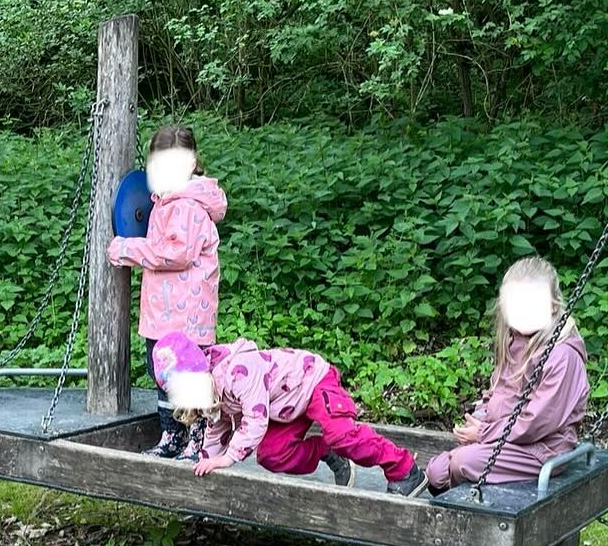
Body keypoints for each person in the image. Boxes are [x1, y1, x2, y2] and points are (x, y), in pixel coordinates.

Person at [150, 330, 426, 496]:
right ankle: (325, 451)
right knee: (272, 455)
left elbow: (255, 418)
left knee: (343, 434)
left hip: (313, 381)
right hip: (285, 407)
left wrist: (229, 458)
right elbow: (217, 428)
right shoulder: (211, 391)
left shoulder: (237, 371)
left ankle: (404, 470)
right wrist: (206, 462)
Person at [107, 124, 227, 459]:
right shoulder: (165, 201)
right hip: (163, 312)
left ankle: (198, 440)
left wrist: (126, 249)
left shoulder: (187, 206)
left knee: (189, 379)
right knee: (162, 375)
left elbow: (174, 252)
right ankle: (171, 437)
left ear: (190, 164)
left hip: (186, 315)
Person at [425, 256, 588, 494]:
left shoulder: (562, 355)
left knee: (464, 463)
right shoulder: (515, 339)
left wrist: (484, 433)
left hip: (541, 449)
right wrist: (480, 417)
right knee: (437, 471)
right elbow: (499, 392)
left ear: (552, 306)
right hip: (506, 438)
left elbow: (536, 423)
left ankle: (473, 508)